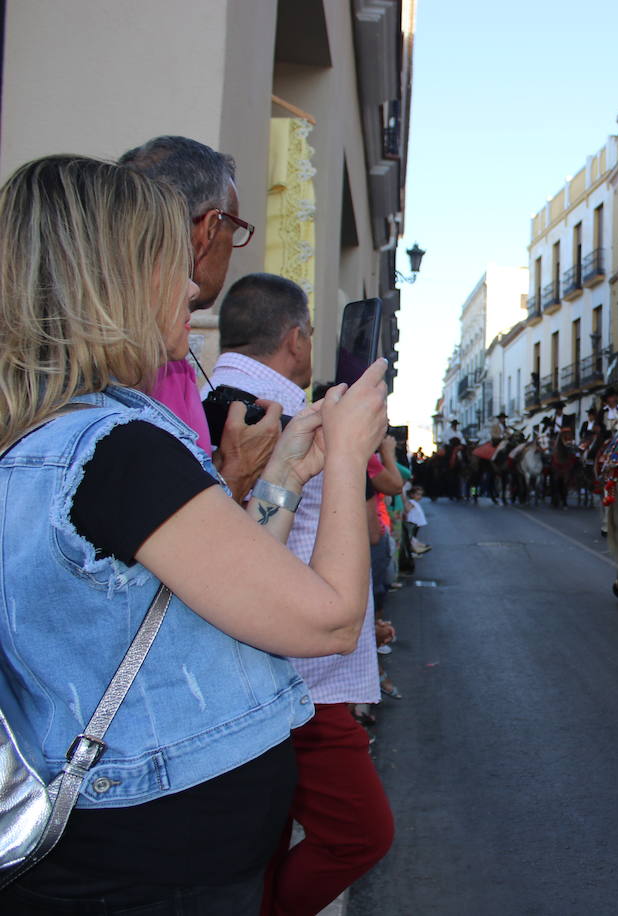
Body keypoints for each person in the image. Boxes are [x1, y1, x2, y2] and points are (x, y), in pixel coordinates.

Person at [0, 155, 388, 911]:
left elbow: (216, 586)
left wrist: (286, 474)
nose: (189, 289)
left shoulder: (55, 437)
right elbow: (330, 618)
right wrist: (346, 459)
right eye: (168, 266)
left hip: (120, 855)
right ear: (110, 282)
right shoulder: (118, 451)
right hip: (152, 873)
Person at [206, 273, 394, 913]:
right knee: (360, 833)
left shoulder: (214, 397)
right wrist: (346, 455)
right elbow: (258, 549)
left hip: (278, 668)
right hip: (300, 675)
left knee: (261, 836)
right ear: (296, 337)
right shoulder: (278, 413)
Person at [120, 135, 277, 502]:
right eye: (234, 229)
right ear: (209, 227)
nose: (191, 290)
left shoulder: (159, 348)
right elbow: (172, 547)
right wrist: (238, 473)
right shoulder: (142, 361)